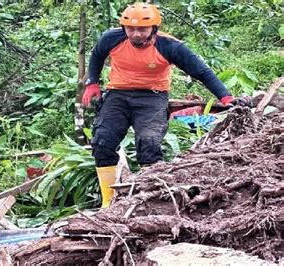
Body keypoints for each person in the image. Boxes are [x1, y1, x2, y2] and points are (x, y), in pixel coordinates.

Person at [82, 3, 239, 208]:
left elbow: (202, 72)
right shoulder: (112, 38)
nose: (136, 34)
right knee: (102, 142)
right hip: (118, 94)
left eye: (142, 29)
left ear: (153, 28)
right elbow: (96, 55)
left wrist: (226, 98)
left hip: (152, 96)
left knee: (149, 143)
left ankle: (151, 201)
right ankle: (108, 203)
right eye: (131, 29)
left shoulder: (170, 46)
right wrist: (92, 83)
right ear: (123, 28)